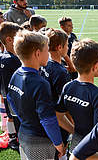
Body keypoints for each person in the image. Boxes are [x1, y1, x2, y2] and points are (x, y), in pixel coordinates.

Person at [7, 30, 65, 159]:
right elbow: (48, 119)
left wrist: (26, 121)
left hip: (23, 133)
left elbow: (11, 101)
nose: (48, 54)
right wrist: (58, 142)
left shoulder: (16, 74)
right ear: (37, 53)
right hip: (39, 141)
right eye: (47, 50)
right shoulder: (40, 83)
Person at [56, 38, 98, 154]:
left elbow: (58, 116)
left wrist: (74, 131)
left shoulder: (68, 87)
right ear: (95, 66)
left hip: (75, 146)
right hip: (92, 151)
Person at [40, 28, 74, 160]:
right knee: (60, 153)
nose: (68, 48)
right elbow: (64, 106)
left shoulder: (44, 63)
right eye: (67, 45)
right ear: (60, 47)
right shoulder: (61, 72)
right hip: (57, 121)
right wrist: (73, 125)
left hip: (44, 116)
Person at [0, 22, 22, 150]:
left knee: (10, 117)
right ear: (9, 40)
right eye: (19, 37)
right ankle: (17, 140)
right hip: (15, 98)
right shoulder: (13, 60)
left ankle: (13, 138)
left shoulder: (3, 57)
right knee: (17, 119)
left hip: (7, 96)